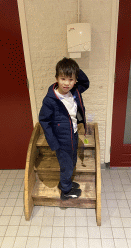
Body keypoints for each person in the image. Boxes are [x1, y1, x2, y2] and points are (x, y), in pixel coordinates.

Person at [39, 57, 89, 200]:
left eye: (71, 79)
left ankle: (65, 183)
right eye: (63, 78)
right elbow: (44, 120)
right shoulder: (50, 99)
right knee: (66, 165)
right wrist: (53, 143)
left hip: (72, 134)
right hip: (60, 140)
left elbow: (86, 82)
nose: (67, 83)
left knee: (72, 161)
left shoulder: (75, 91)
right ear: (56, 78)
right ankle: (66, 192)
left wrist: (76, 69)